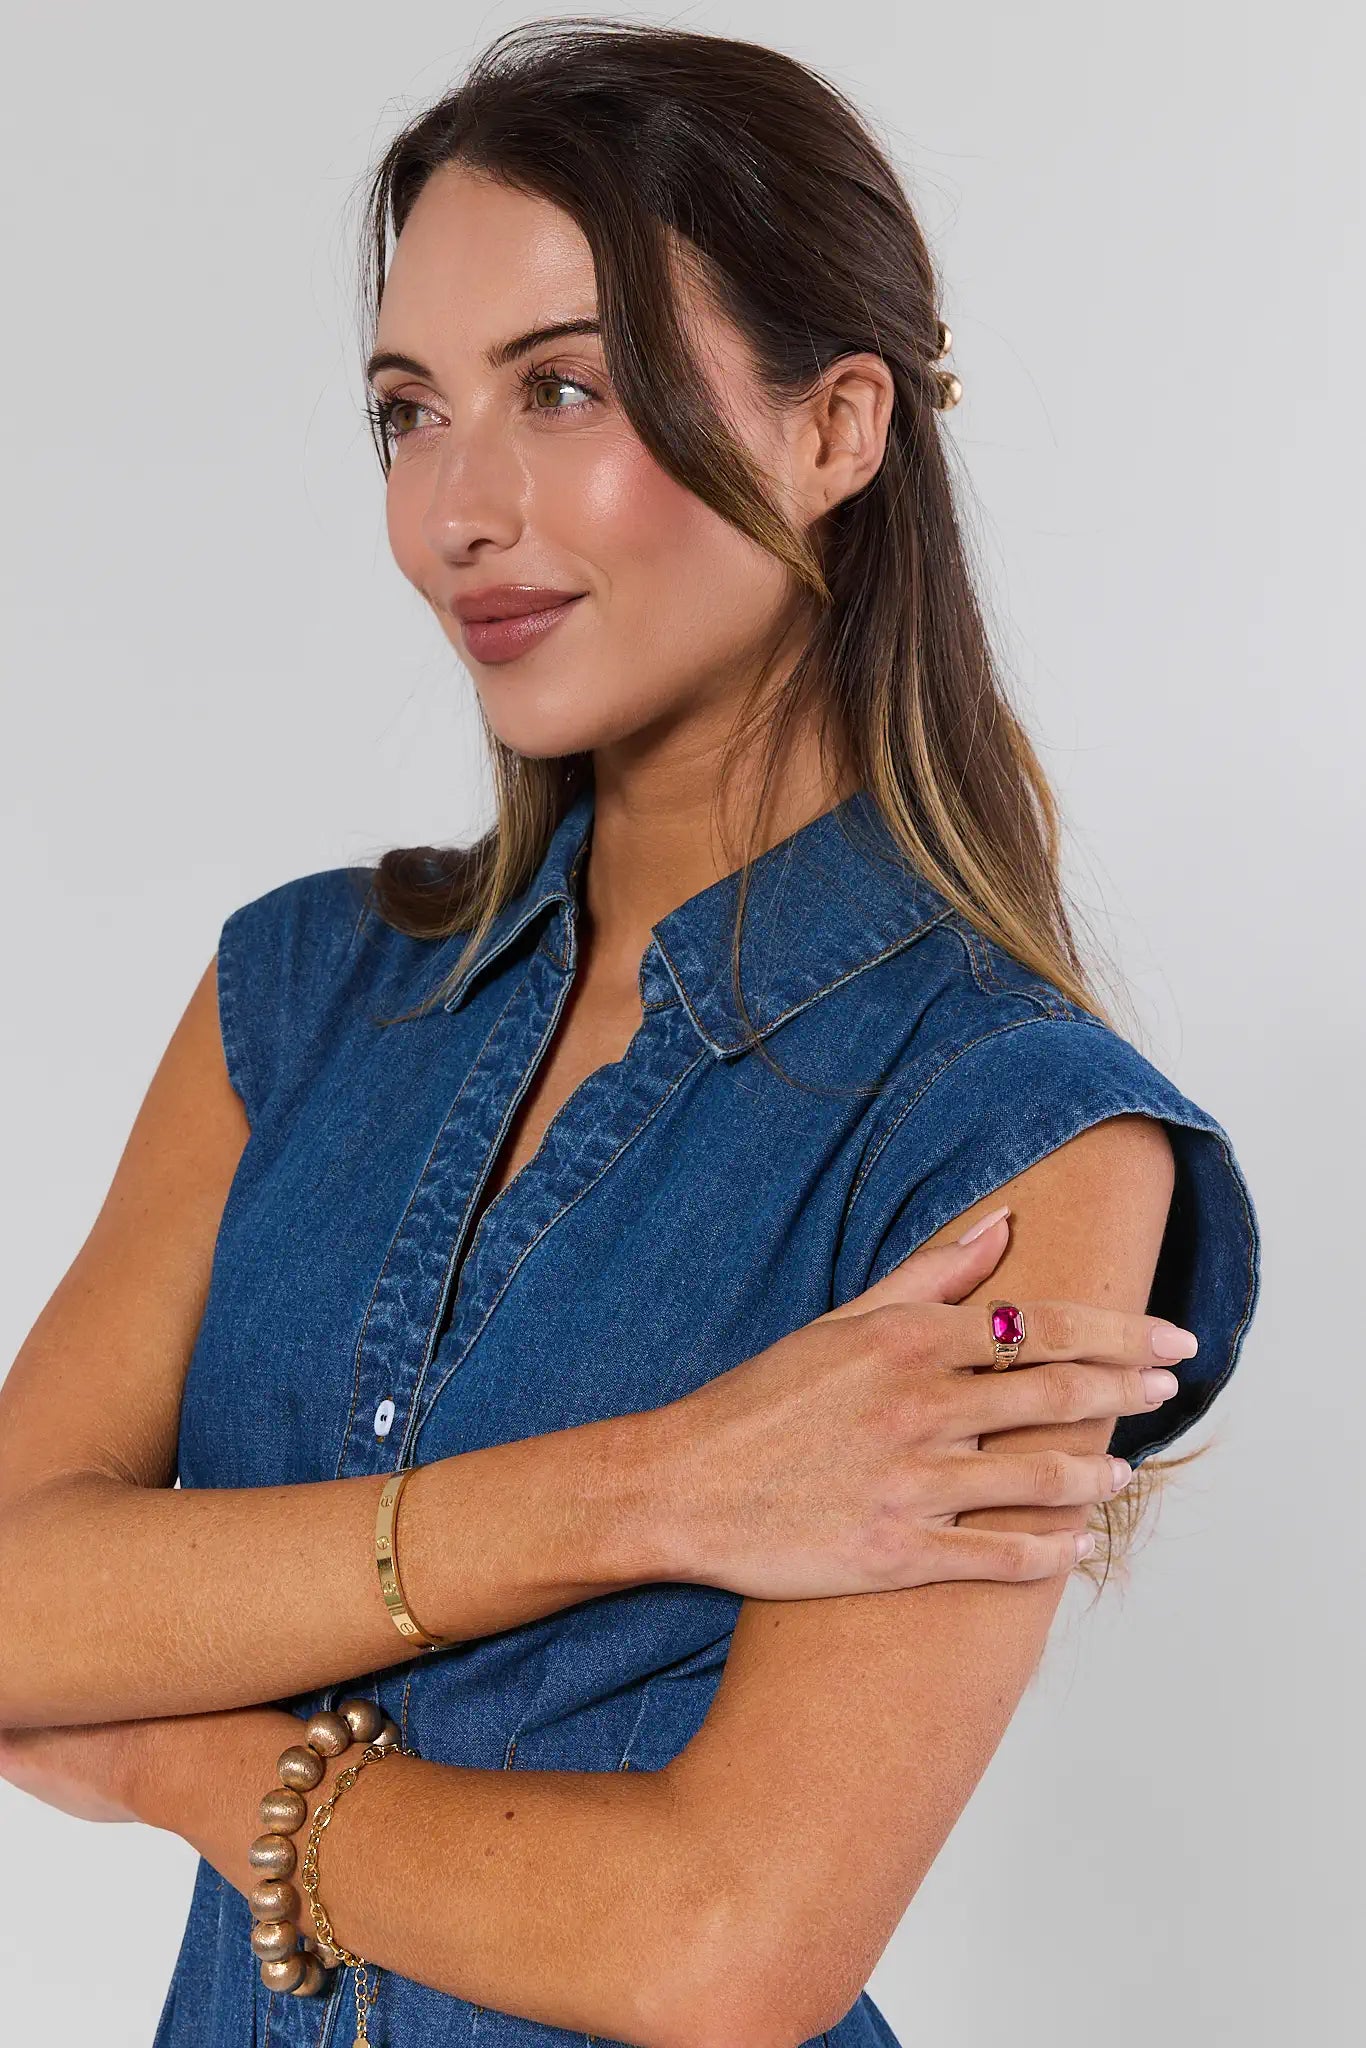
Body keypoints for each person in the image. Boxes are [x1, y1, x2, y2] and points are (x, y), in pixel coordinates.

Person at [0, 19, 1261, 2048]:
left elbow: (718, 1945)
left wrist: (160, 1756)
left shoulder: (1016, 1141)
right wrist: (649, 1488)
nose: (454, 511)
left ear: (836, 428)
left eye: (561, 388)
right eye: (406, 412)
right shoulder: (298, 995)